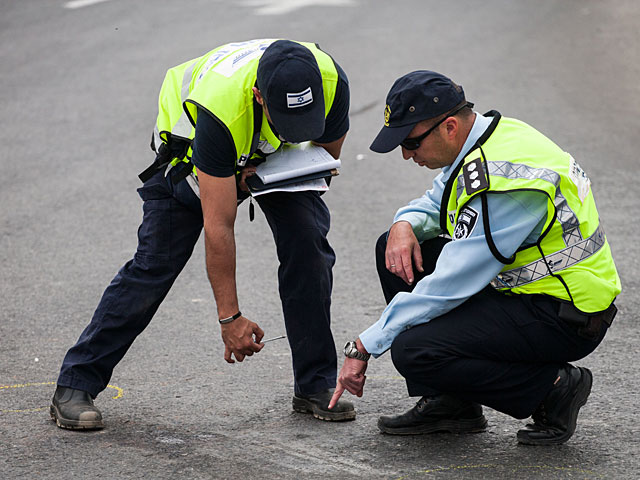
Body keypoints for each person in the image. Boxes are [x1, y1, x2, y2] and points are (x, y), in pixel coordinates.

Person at [50, 39, 356, 430]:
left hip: (268, 157)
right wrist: (230, 318)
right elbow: (219, 226)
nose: (299, 129)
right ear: (260, 96)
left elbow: (322, 163)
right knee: (155, 265)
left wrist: (265, 173)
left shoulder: (332, 82)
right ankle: (74, 384)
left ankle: (314, 386)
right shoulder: (221, 110)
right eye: (287, 121)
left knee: (309, 245)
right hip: (192, 152)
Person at [329, 70, 621, 445]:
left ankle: (554, 389)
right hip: (532, 294)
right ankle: (452, 404)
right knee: (396, 246)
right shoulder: (489, 138)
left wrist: (365, 344)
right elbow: (440, 199)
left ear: (449, 127)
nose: (406, 154)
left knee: (413, 349)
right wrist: (404, 223)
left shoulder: (506, 187)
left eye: (411, 142)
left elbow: (452, 282)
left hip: (567, 314)